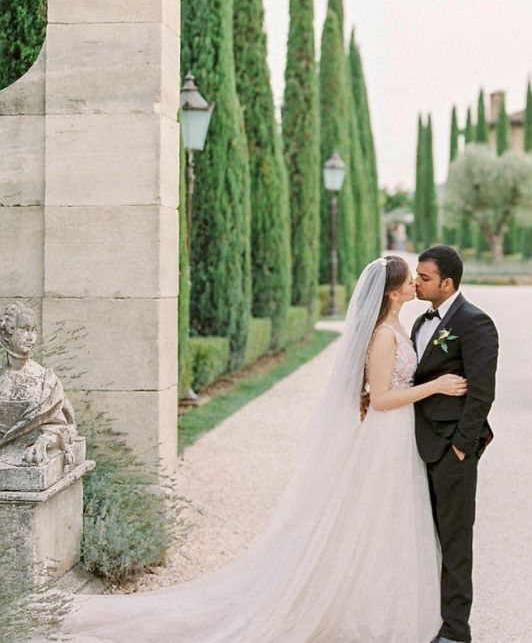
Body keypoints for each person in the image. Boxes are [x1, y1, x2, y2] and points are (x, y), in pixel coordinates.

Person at [55, 256, 467, 643]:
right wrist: (435, 386)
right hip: (384, 436)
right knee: (370, 520)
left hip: (398, 438)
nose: (416, 282)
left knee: (388, 521)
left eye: (420, 278)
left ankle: (379, 603)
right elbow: (379, 398)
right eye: (409, 280)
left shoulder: (400, 328)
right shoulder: (381, 336)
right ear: (393, 292)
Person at [412, 246, 498, 643]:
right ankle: (424, 618)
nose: (416, 281)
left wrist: (462, 448)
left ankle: (455, 631)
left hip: (451, 452)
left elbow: (481, 394)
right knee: (418, 536)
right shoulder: (418, 324)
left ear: (447, 283)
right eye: (416, 274)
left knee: (455, 540)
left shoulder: (475, 323)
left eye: (424, 277)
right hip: (413, 449)